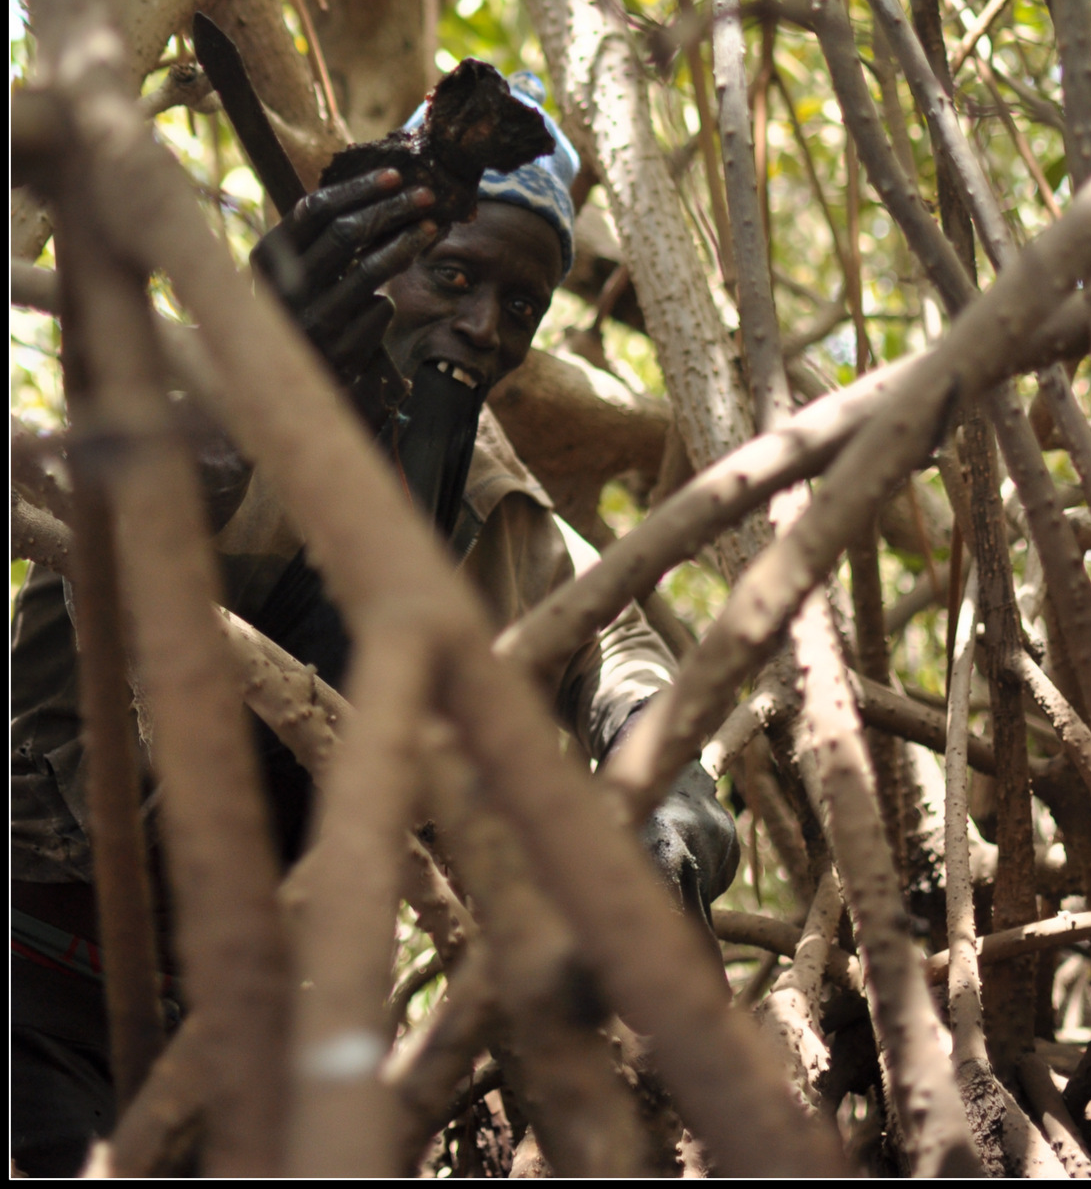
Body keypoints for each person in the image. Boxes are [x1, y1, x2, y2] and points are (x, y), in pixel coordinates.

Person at [11, 70, 737, 1177]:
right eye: (454, 277)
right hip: (35, 973)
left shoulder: (489, 503)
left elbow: (621, 655)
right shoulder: (210, 400)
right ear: (381, 261)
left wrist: (668, 805)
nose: (482, 328)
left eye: (520, 308)